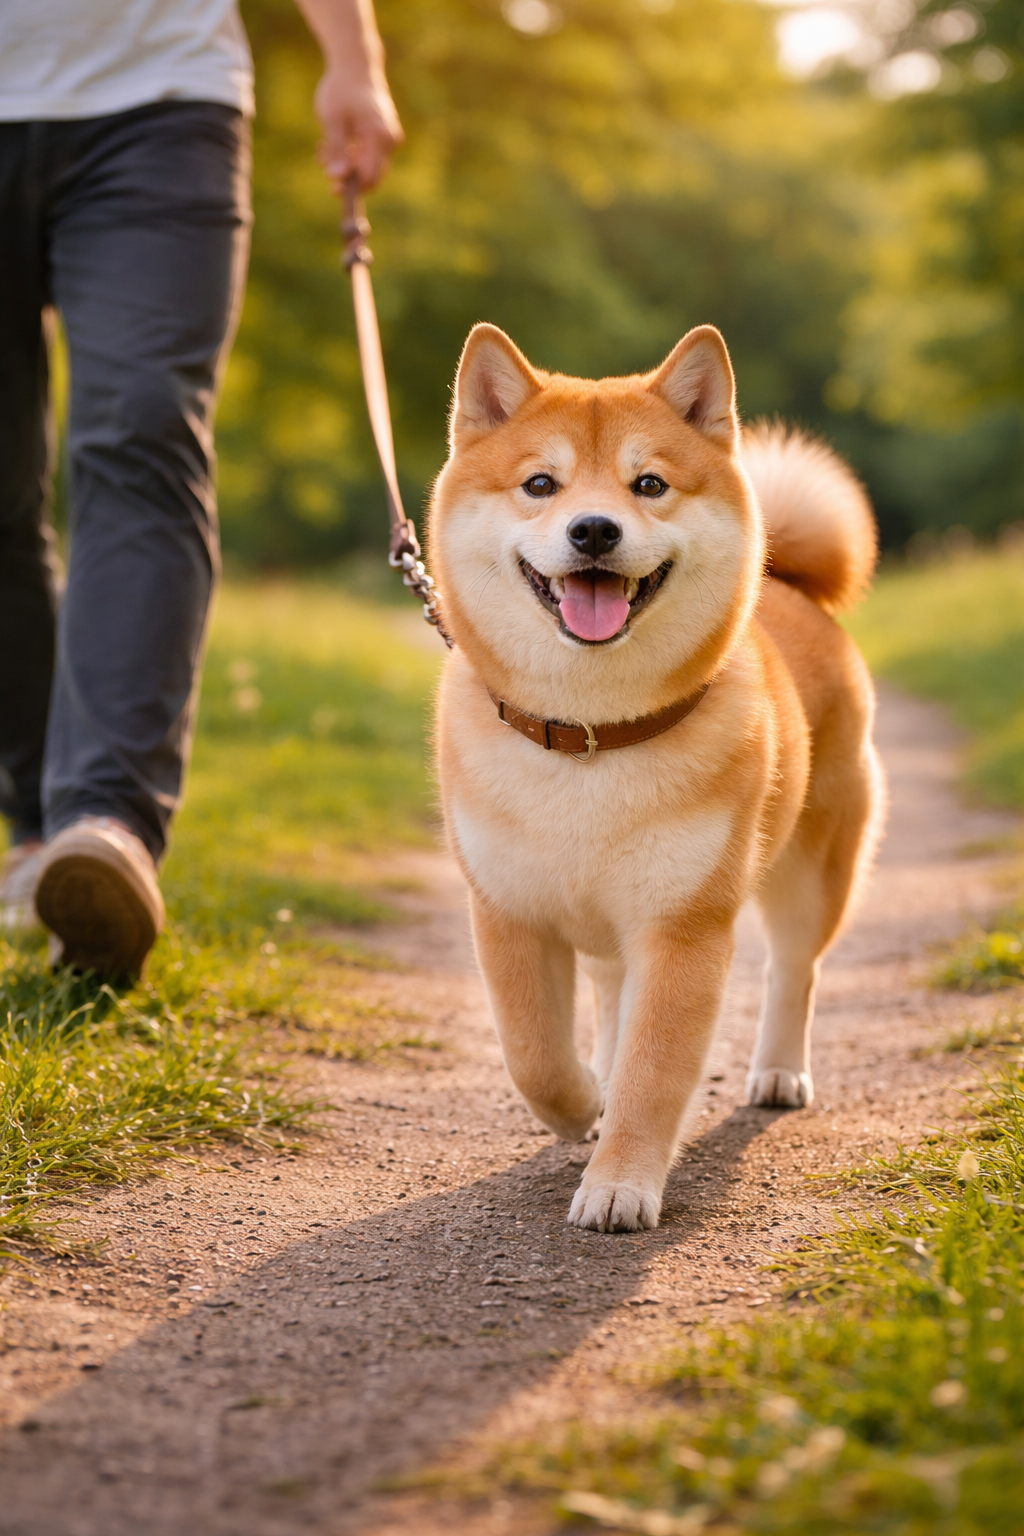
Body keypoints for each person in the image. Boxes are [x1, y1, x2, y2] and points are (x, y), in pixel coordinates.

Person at [0, 0, 403, 974]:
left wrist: (355, 57)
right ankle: (37, 826)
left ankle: (106, 824)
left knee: (140, 434)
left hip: (162, 99)